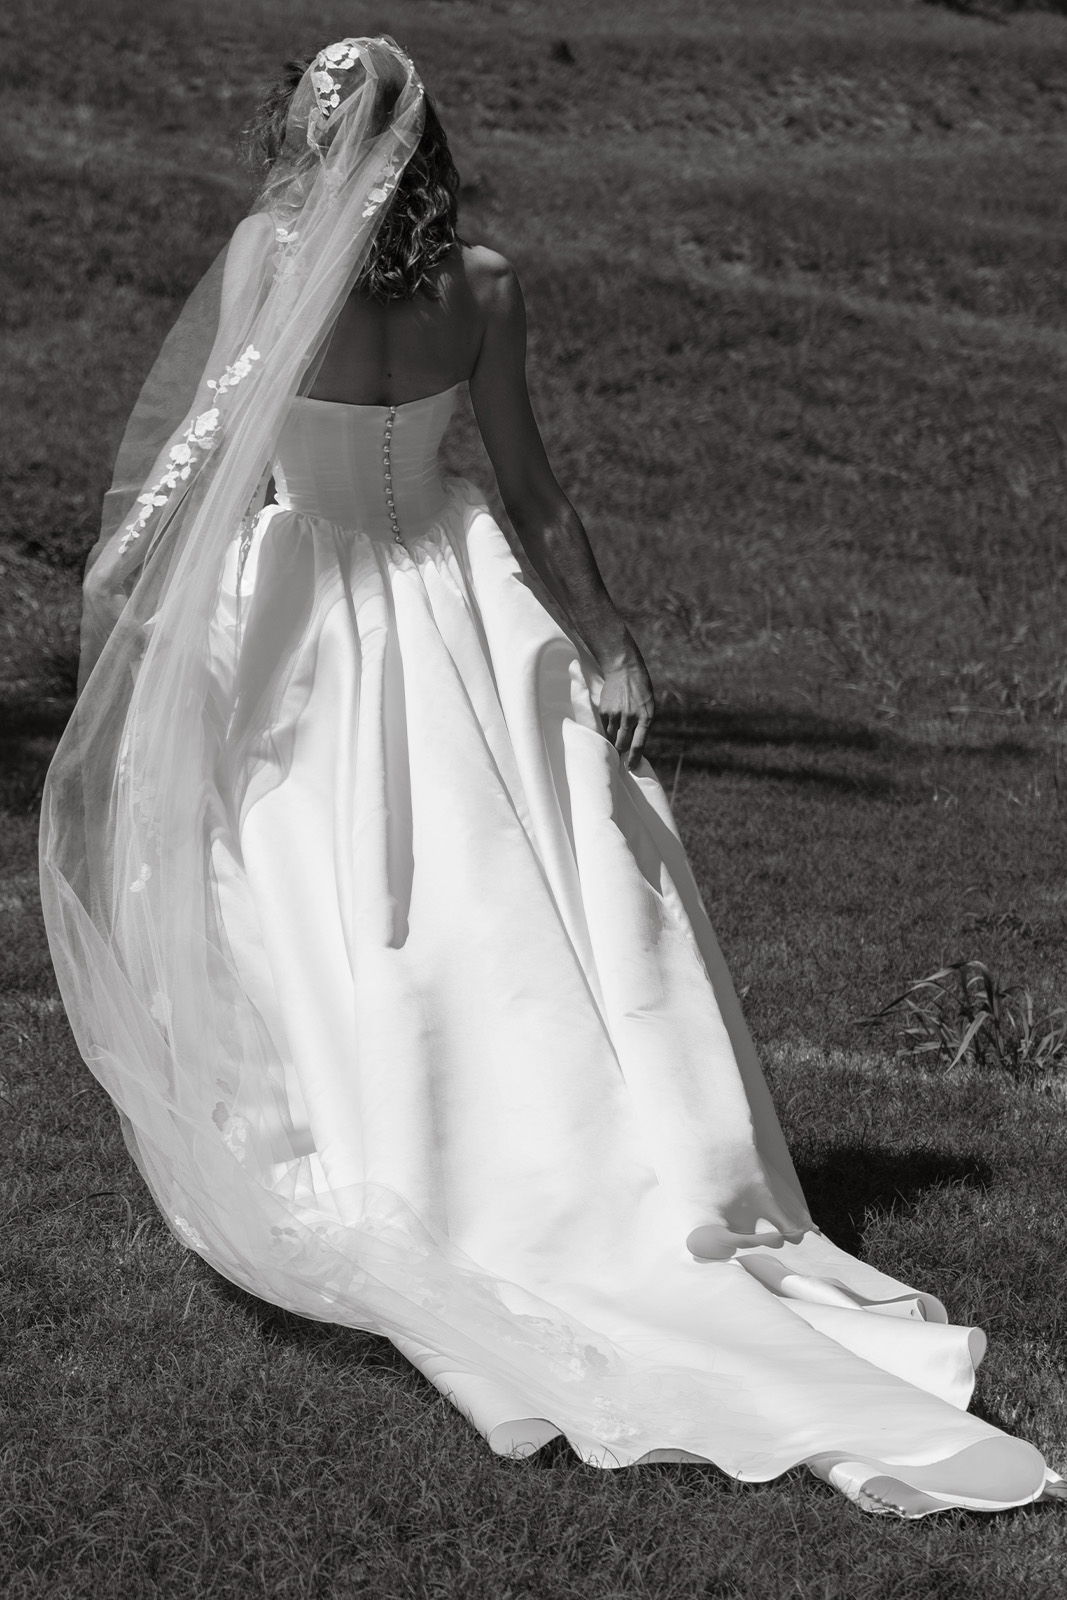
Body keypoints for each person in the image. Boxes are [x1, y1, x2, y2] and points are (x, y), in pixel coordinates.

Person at [38, 35, 1063, 1520]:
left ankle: (366, 1135)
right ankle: (576, 1150)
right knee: (520, 891)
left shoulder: (271, 255)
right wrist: (609, 643)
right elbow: (527, 488)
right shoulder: (489, 284)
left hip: (305, 600)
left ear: (309, 145)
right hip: (461, 603)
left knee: (296, 881)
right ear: (431, 149)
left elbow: (211, 448)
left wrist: (135, 580)